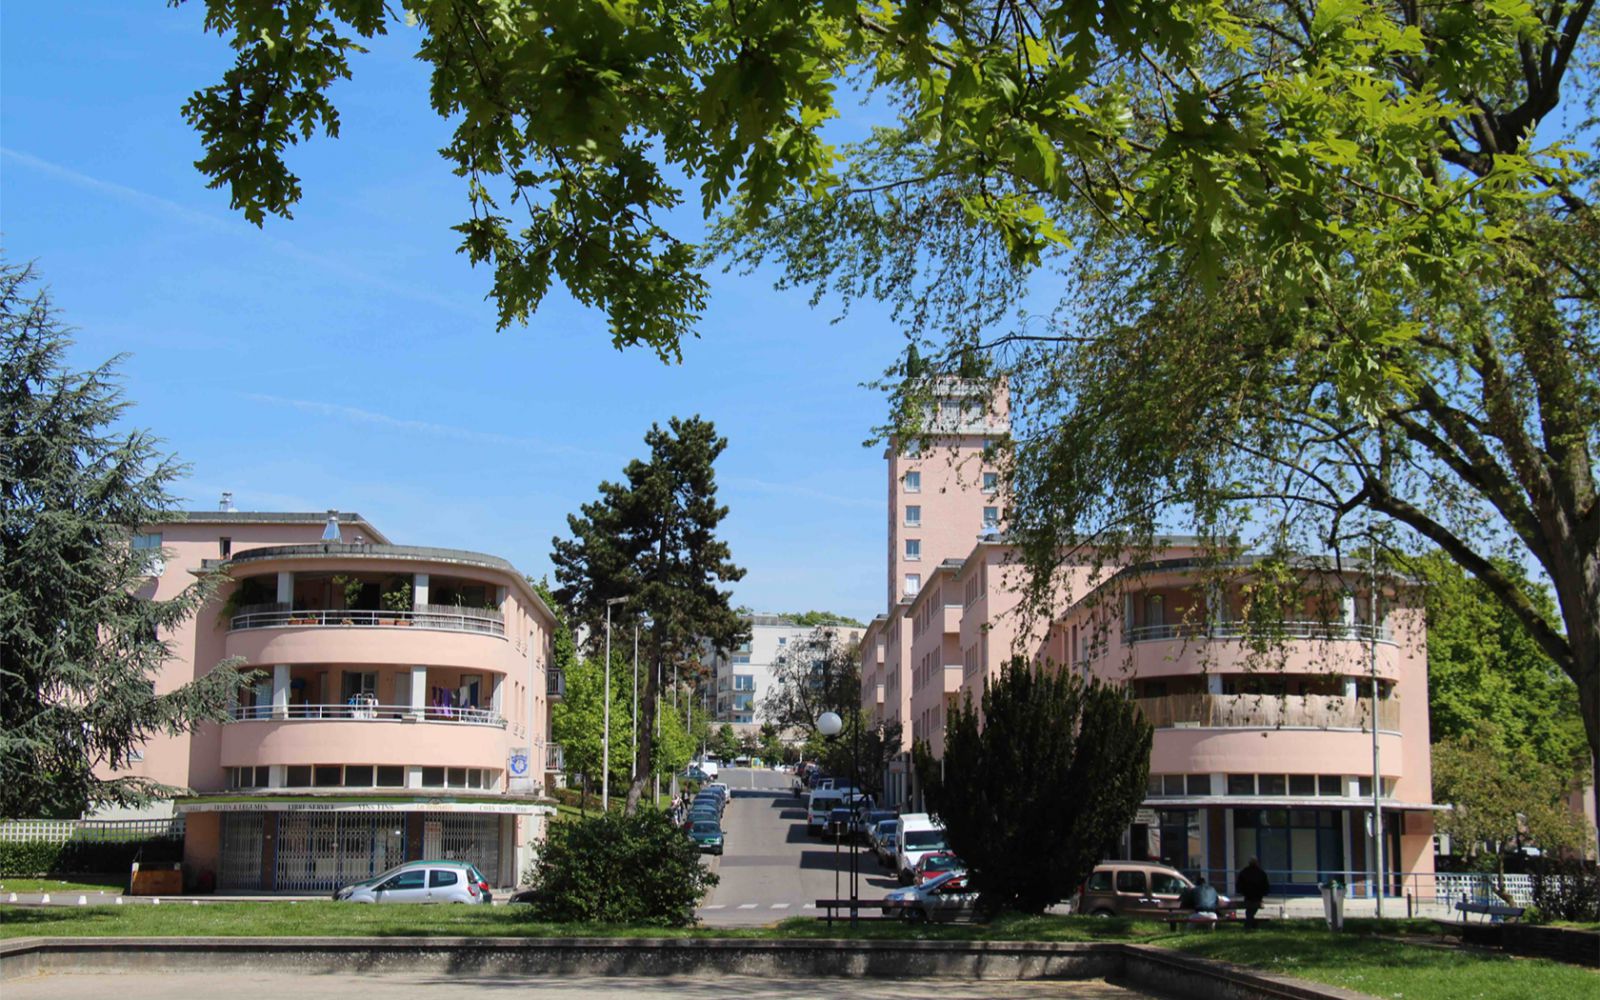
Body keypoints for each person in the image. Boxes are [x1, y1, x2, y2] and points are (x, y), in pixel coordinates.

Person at [1237, 858, 1271, 930]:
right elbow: (1266, 885)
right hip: (1257, 896)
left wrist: (1242, 892)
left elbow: (1239, 885)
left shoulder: (1244, 872)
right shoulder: (1261, 873)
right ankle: (1251, 924)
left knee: (1249, 911)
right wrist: (1264, 893)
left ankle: (1249, 924)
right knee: (1252, 910)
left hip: (1248, 896)